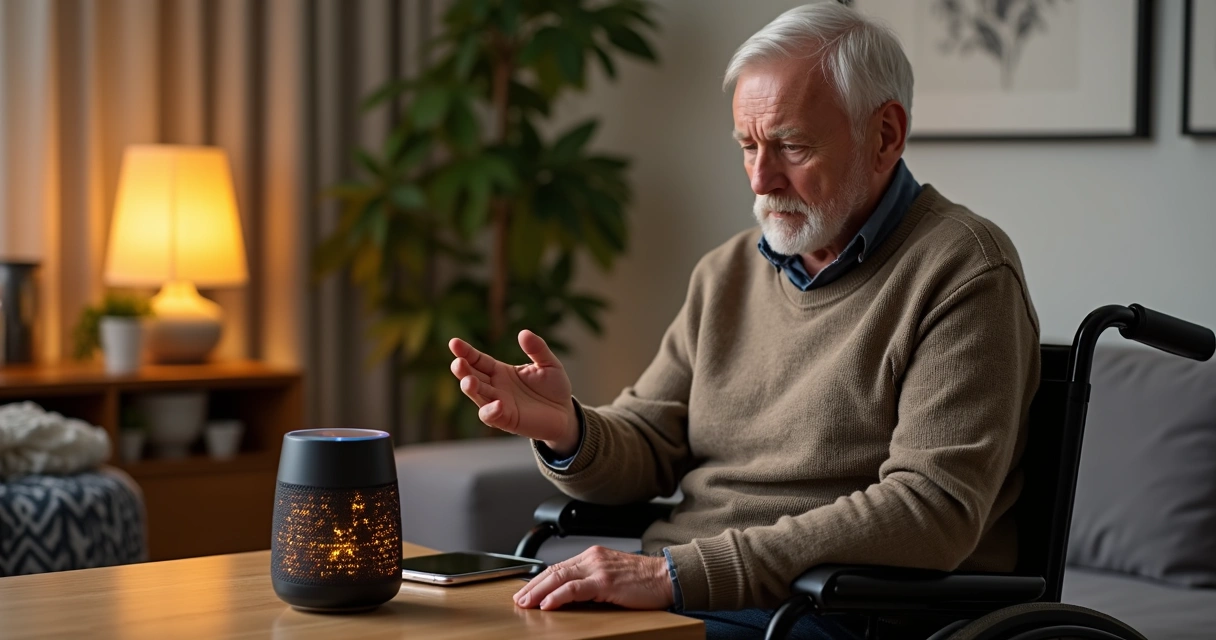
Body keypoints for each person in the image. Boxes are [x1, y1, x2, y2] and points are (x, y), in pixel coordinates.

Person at [447, 3, 1039, 638]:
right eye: (748, 145)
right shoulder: (726, 271)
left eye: (790, 144)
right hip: (695, 590)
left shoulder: (963, 269)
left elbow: (931, 511)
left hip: (836, 609)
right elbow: (652, 440)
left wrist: (675, 574)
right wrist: (566, 429)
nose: (761, 177)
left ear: (885, 135)